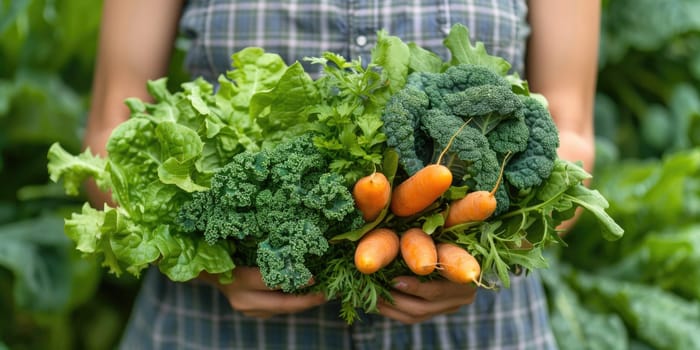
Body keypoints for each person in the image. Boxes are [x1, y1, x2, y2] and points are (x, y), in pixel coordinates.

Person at [84, 0, 599, 348]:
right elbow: (111, 135)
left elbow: (571, 139)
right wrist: (208, 259)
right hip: (211, 330)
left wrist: (482, 257)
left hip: (477, 330)